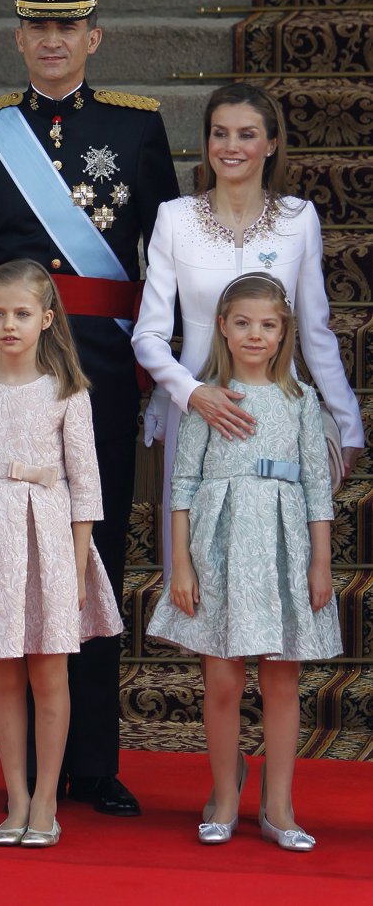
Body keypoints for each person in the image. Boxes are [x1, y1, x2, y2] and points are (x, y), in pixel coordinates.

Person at [0, 0, 178, 817]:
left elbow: (168, 264)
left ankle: (95, 760)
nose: (52, 41)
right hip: (6, 373)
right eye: (37, 29)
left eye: (68, 28)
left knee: (94, 557)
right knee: (18, 571)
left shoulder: (136, 127)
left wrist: (162, 371)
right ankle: (33, 766)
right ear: (17, 38)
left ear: (93, 38)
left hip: (103, 374)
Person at [132, 82, 364, 580]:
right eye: (219, 133)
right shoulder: (174, 218)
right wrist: (191, 394)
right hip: (197, 413)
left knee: (277, 574)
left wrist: (348, 420)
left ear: (272, 143)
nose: (230, 147)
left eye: (246, 134)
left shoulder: (299, 219)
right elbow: (148, 336)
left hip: (279, 412)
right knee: (199, 574)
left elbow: (316, 331)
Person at [147, 272, 342, 850]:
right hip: (220, 547)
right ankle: (225, 794)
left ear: (284, 333)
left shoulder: (301, 401)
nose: (255, 334)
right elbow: (181, 485)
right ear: (223, 329)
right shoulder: (210, 397)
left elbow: (315, 488)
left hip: (283, 549)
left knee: (283, 680)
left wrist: (321, 562)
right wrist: (180, 564)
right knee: (224, 680)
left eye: (268, 325)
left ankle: (279, 805)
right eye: (242, 323)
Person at [0, 260, 123, 847]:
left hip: (49, 545)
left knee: (49, 672)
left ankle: (46, 802)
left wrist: (78, 562)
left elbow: (86, 487)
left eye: (20, 313)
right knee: (5, 676)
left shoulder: (68, 391)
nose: (8, 324)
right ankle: (14, 796)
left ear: (46, 319)